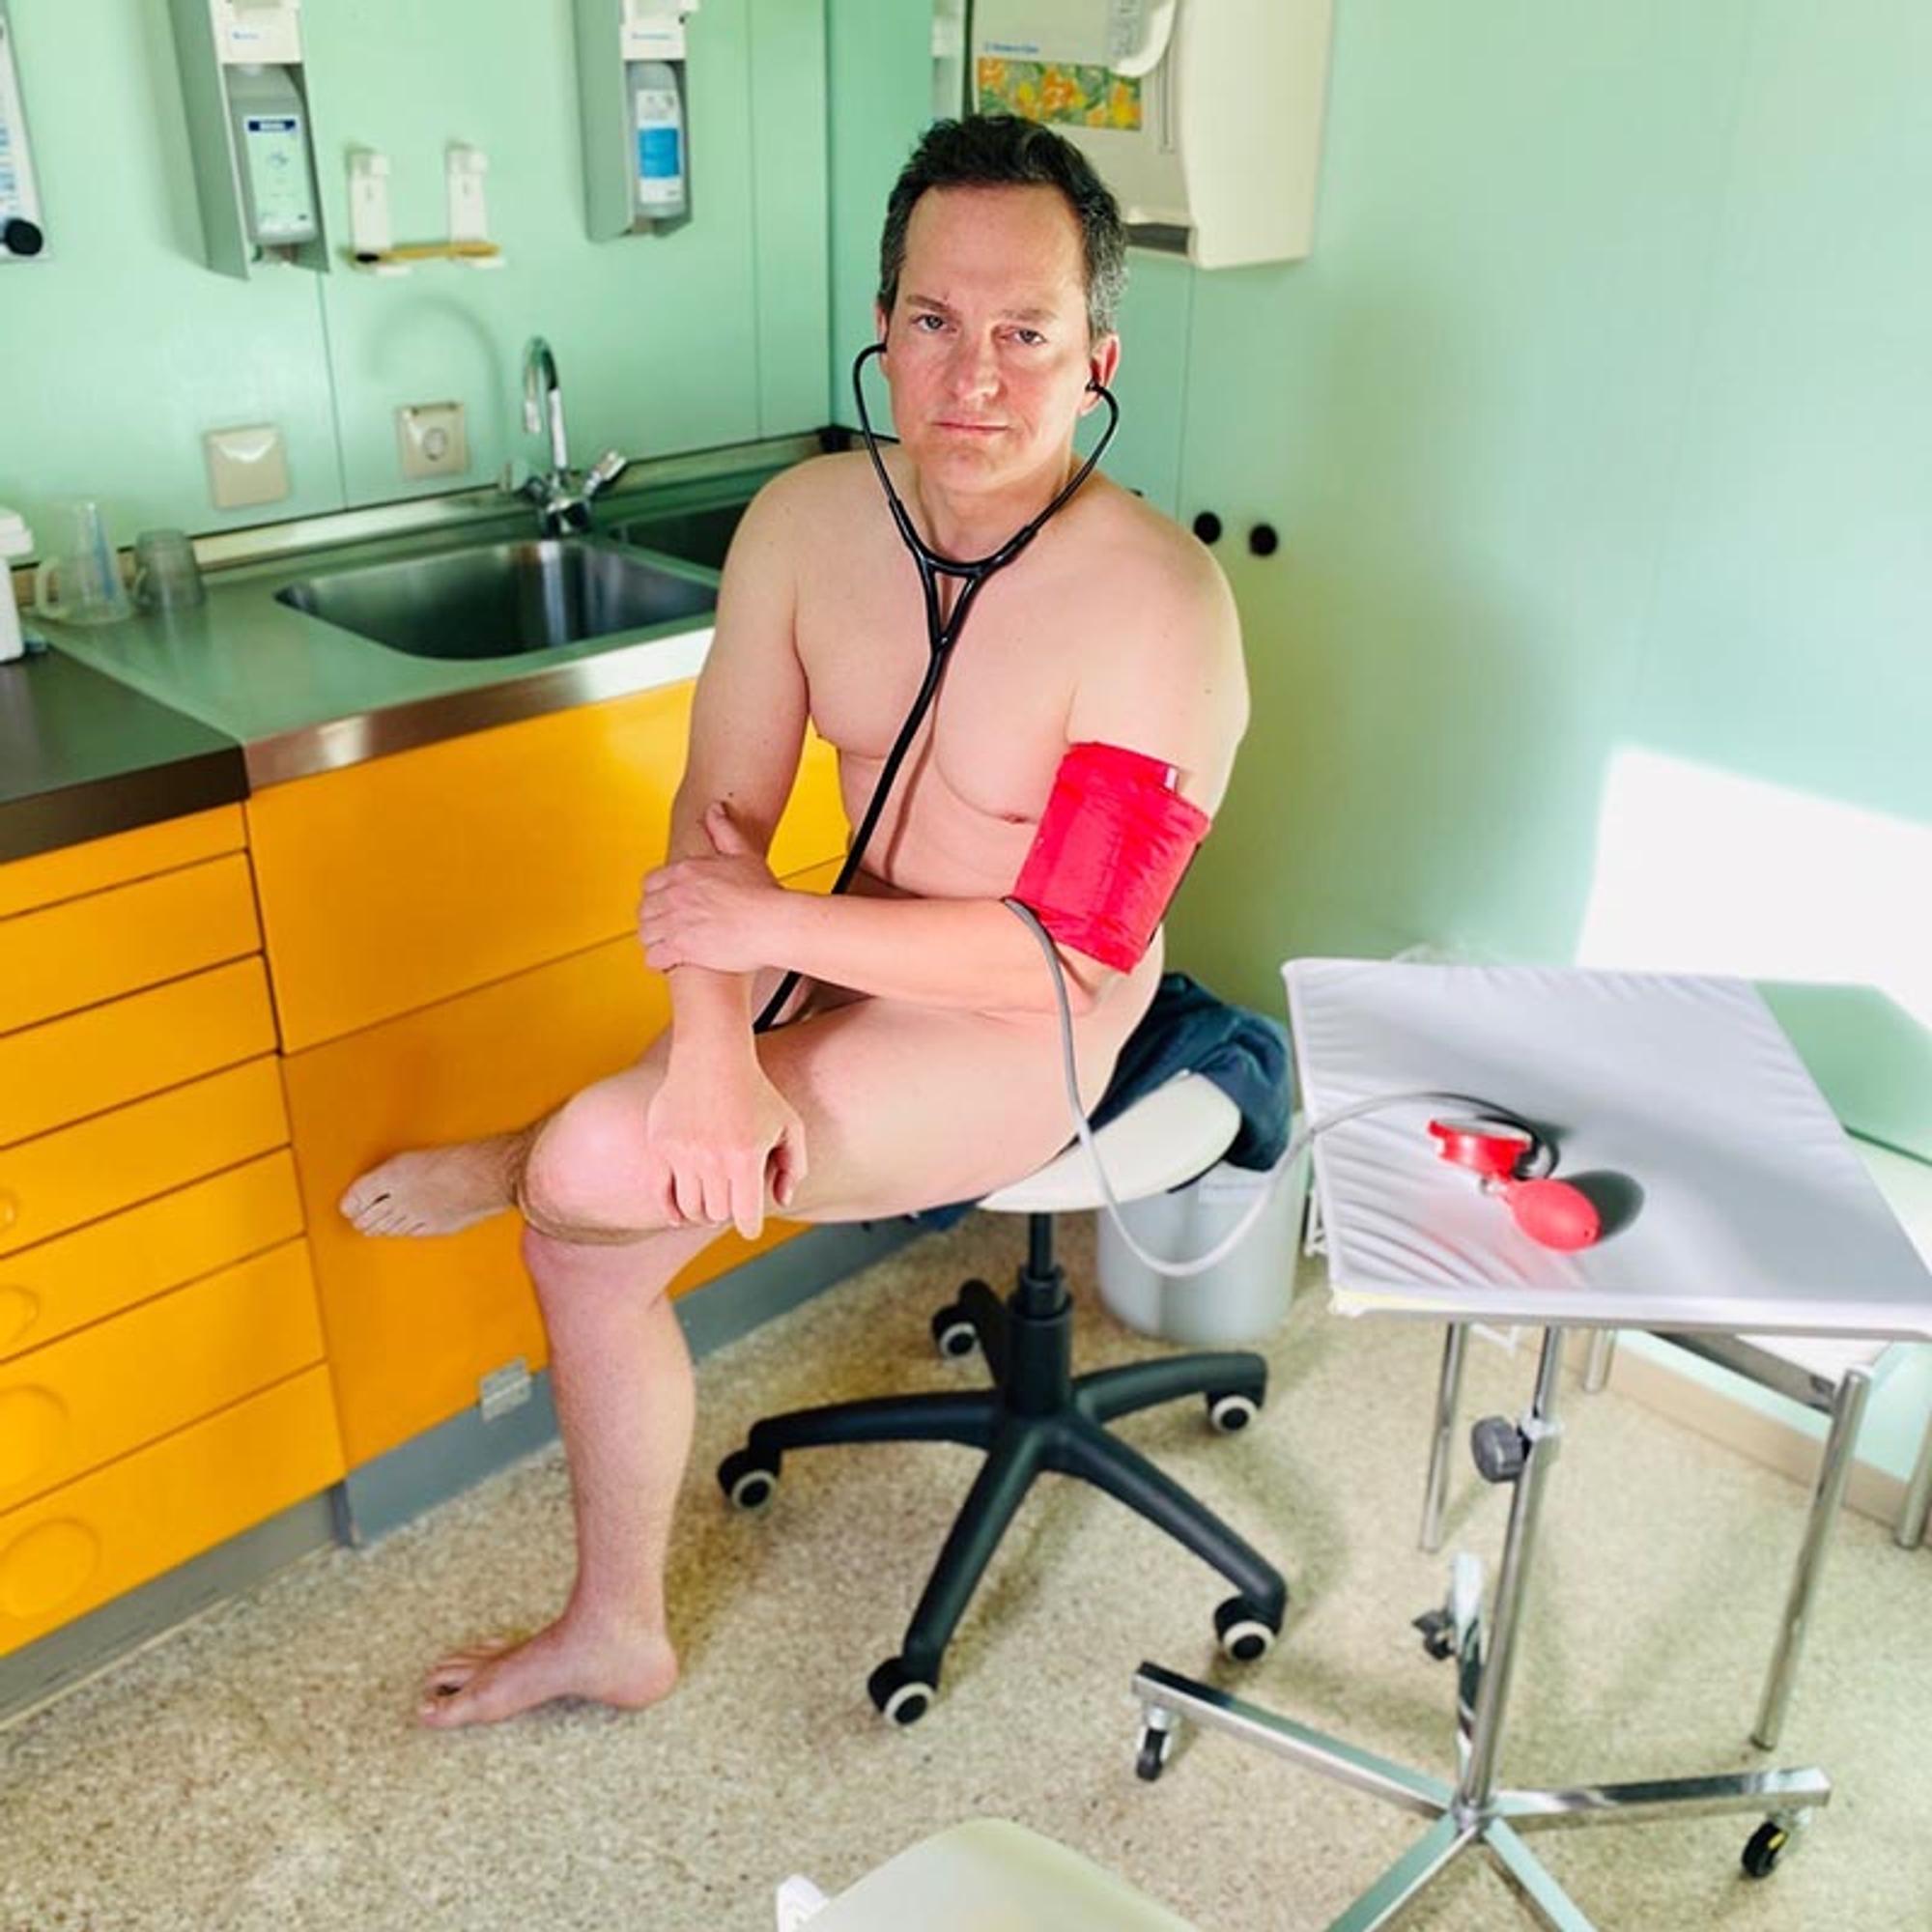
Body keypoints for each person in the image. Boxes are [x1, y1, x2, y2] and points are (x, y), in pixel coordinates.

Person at [339, 114, 1248, 1729]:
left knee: (589, 1170)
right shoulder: (808, 524)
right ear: (881, 327)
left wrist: (763, 942)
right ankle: (616, 1630)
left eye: (1026, 335)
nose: (974, 377)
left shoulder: (1160, 606)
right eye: (934, 321)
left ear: (1097, 358)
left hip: (1026, 1024)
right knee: (587, 1246)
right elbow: (721, 822)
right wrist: (708, 1054)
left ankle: (525, 1152)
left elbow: (1065, 953)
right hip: (836, 937)